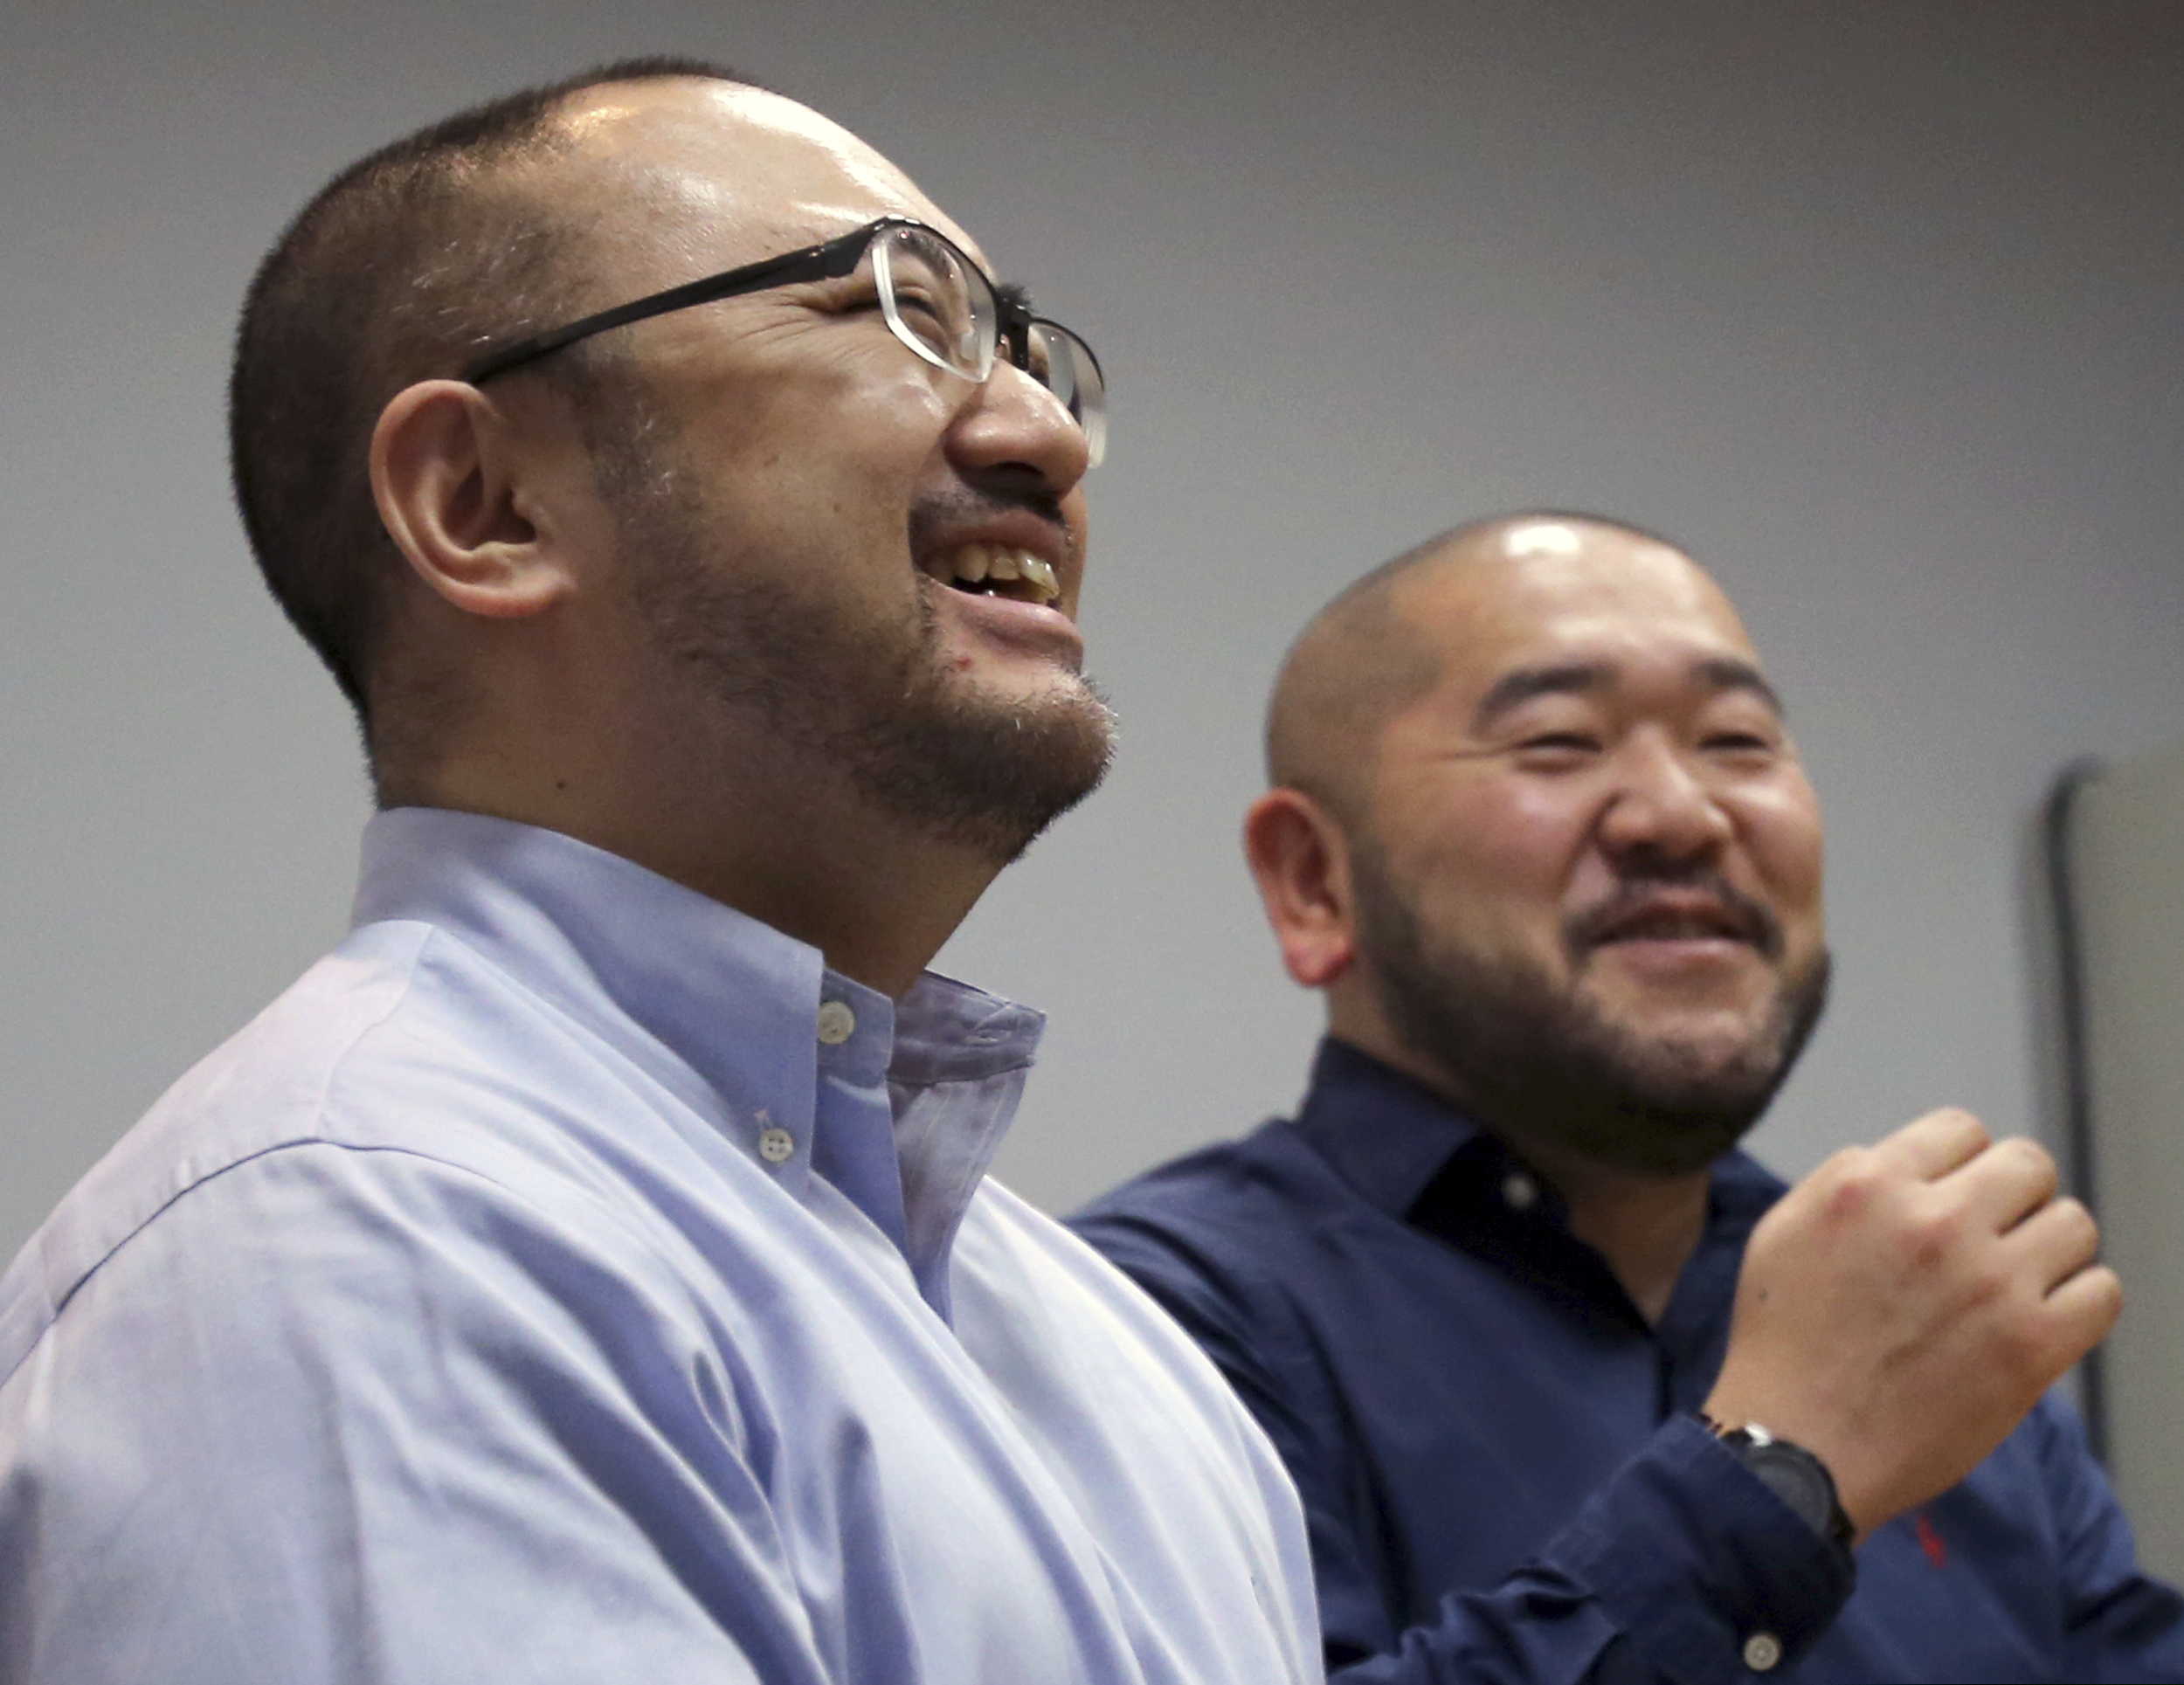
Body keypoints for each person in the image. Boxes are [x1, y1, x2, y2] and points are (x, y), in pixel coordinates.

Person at [0, 58, 2127, 1681]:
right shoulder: (372, 1248)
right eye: (887, 309)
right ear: (480, 501)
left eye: (1024, 337)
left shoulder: (1079, 1339)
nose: (1041, 428)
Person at [1073, 512, 2184, 1682]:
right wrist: (1778, 1467)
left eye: (1739, 741)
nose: (1683, 816)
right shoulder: (1149, 1329)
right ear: (1314, 882)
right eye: (1558, 742)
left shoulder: (1923, 1315)